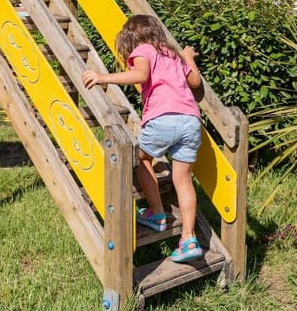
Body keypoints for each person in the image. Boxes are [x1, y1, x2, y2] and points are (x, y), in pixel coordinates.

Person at [81, 14, 205, 263]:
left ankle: (157, 214)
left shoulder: (143, 49)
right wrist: (188, 57)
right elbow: (195, 81)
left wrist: (103, 77)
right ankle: (189, 238)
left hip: (163, 118)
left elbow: (140, 75)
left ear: (131, 39)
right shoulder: (172, 54)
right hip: (191, 121)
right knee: (183, 180)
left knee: (141, 159)